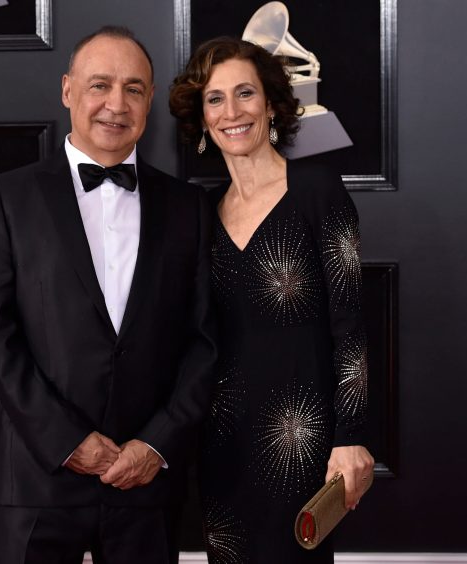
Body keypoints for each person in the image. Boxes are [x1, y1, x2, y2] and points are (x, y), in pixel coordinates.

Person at [0, 26, 217, 564]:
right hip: (36, 479)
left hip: (145, 483)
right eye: (100, 84)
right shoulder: (8, 196)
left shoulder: (189, 207)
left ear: (150, 100)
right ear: (67, 90)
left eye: (134, 88)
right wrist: (65, 440)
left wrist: (157, 443)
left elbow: (203, 342)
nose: (116, 104)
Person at [169, 37, 375, 563]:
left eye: (245, 93)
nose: (232, 112)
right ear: (201, 116)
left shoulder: (317, 190)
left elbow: (350, 326)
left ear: (271, 104)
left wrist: (350, 437)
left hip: (302, 443)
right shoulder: (203, 215)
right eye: (215, 99)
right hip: (222, 445)